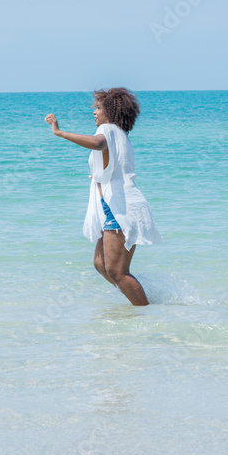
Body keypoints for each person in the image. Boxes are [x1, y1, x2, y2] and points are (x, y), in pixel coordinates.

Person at [45, 88, 161, 306]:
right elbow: (113, 167)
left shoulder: (108, 130)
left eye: (98, 107)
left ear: (112, 111)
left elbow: (98, 144)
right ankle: (140, 298)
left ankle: (145, 310)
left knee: (117, 272)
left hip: (121, 208)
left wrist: (59, 133)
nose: (94, 112)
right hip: (117, 206)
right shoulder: (120, 135)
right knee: (101, 263)